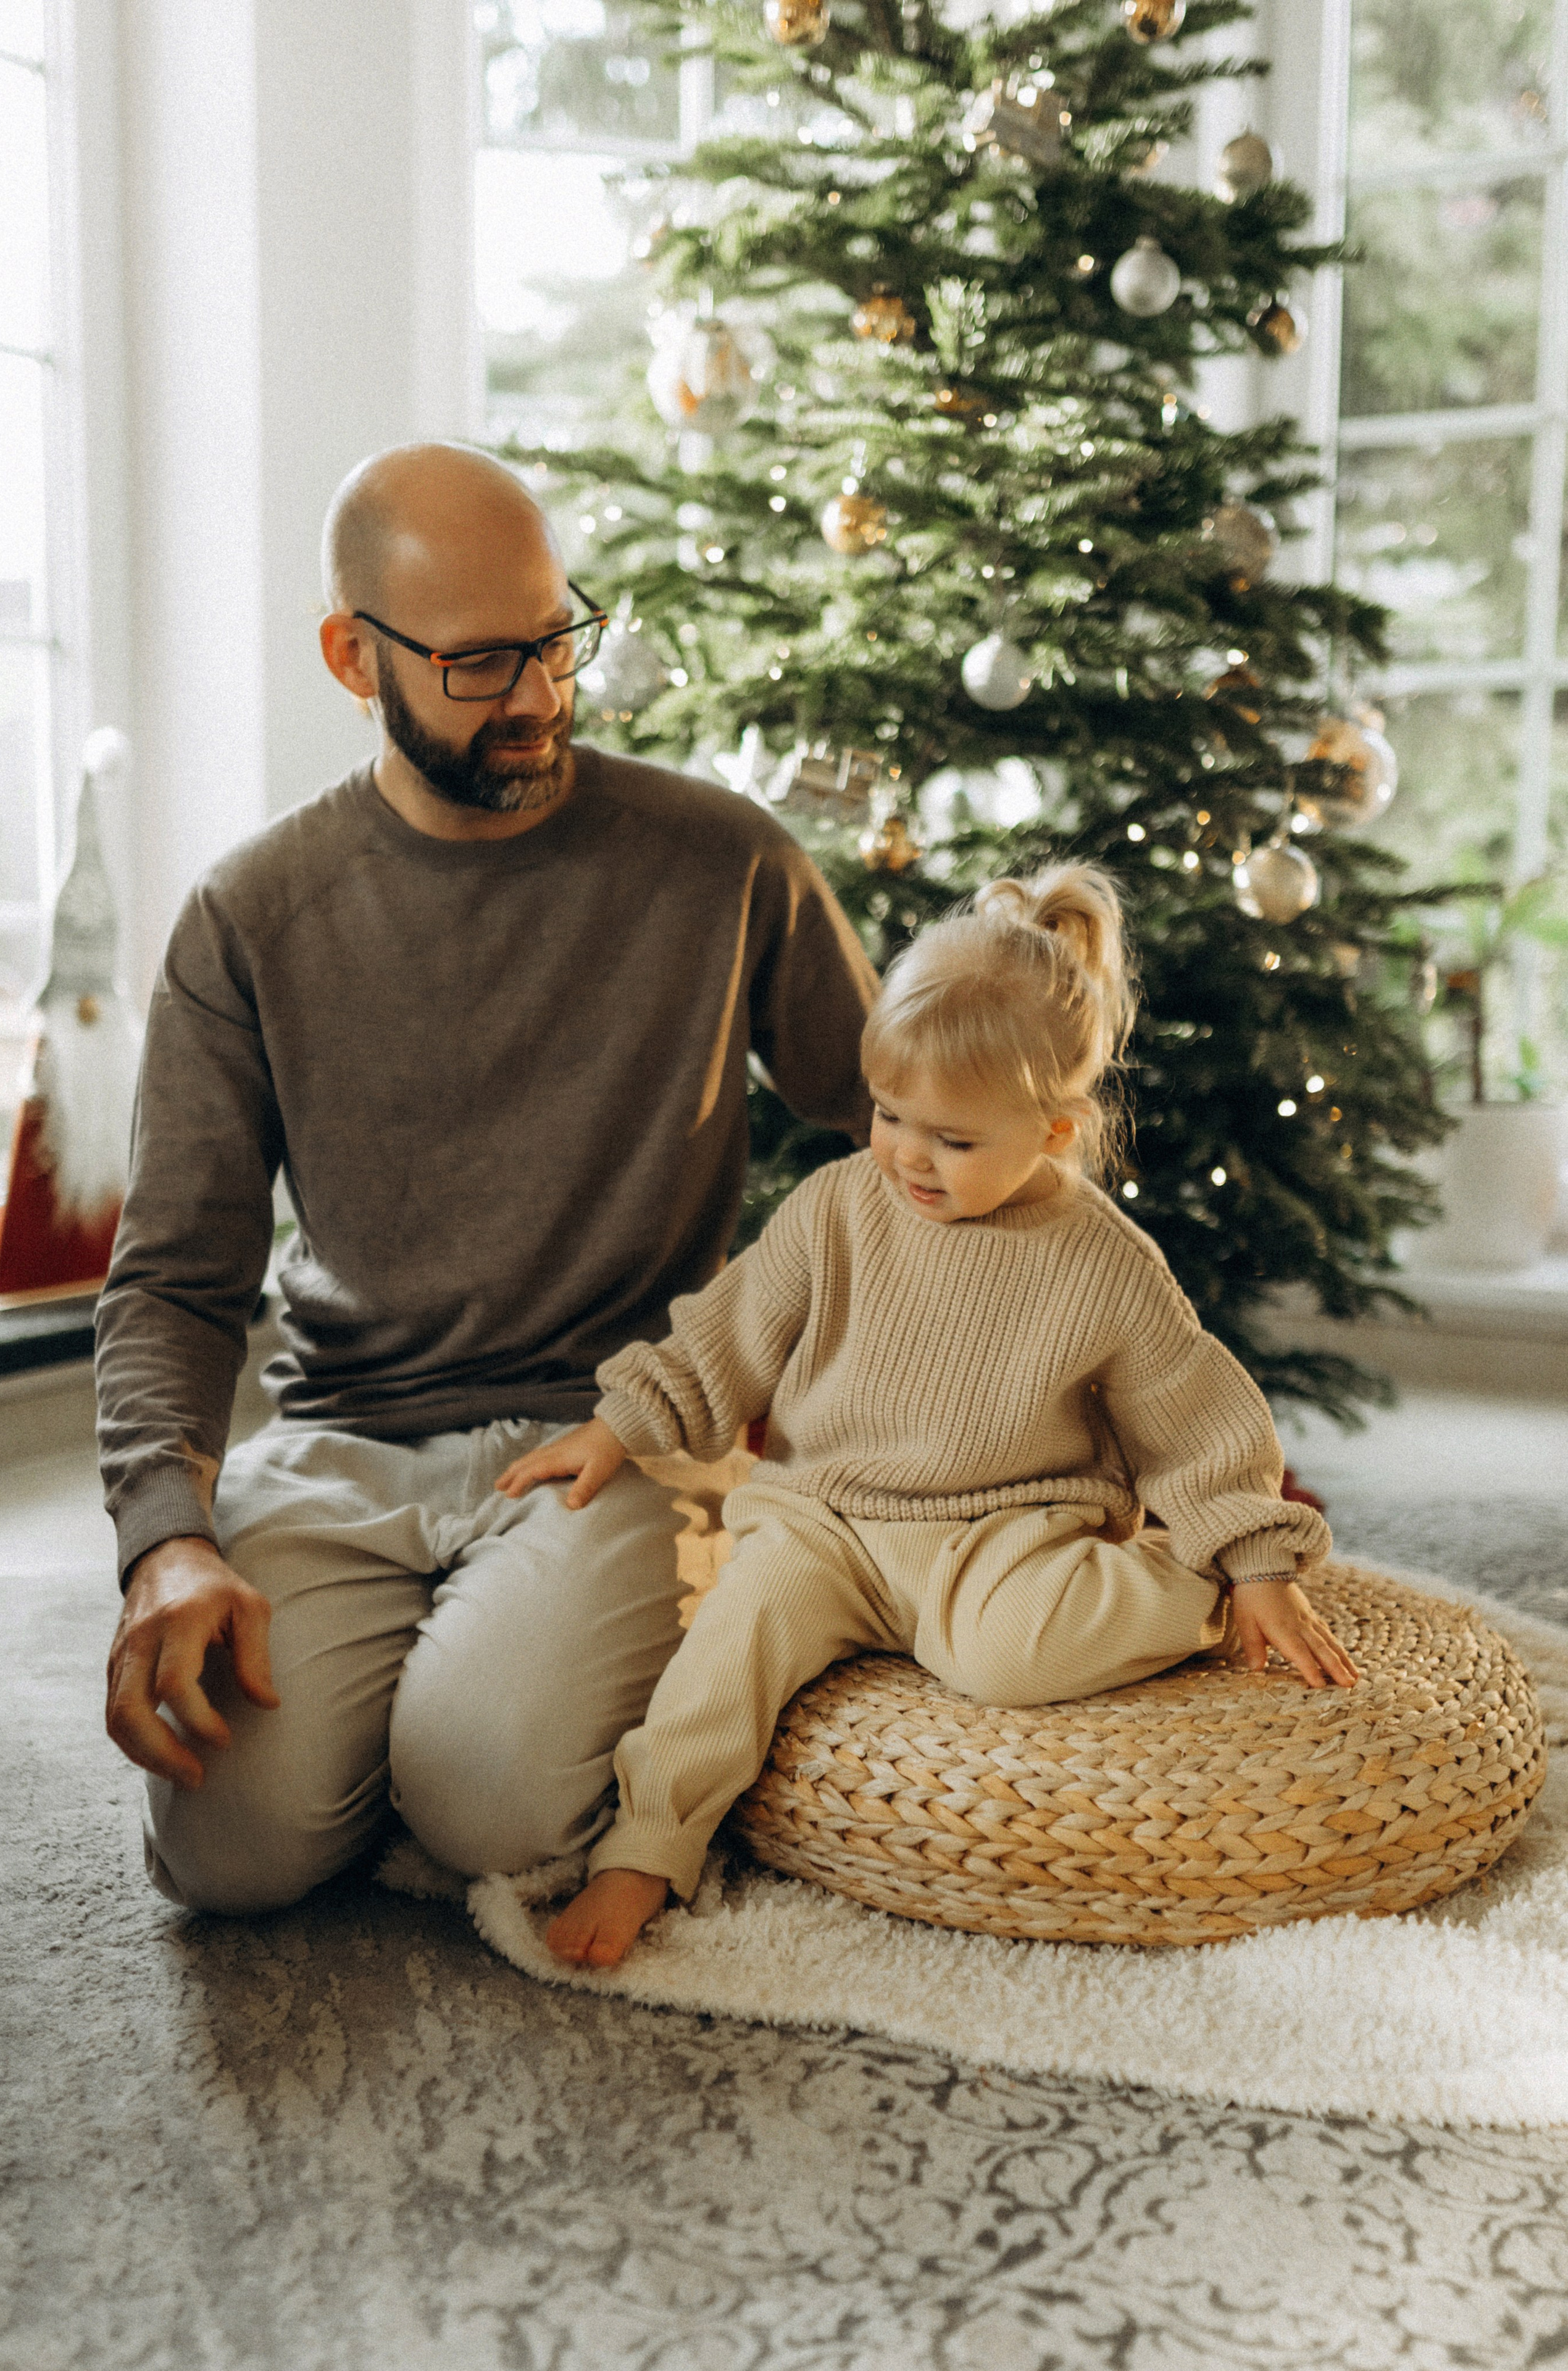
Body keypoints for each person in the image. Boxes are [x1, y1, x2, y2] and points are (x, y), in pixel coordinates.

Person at [98, 442, 877, 1914]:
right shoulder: (252, 913)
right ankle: (403, 1713)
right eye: (477, 663)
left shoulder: (725, 863)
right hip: (339, 1441)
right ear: (351, 654)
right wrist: (169, 1544)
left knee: (488, 1804)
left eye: (553, 638)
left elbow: (906, 1134)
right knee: (233, 1857)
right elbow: (175, 1281)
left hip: (613, 1436)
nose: (536, 696)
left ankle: (442, 1734)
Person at [496, 863, 1359, 1968]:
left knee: (1011, 1658)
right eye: (889, 1115)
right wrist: (625, 1421)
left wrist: (1253, 1560)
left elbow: (1192, 1411)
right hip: (823, 1517)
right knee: (730, 1643)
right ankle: (646, 1848)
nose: (908, 1153)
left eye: (953, 1139)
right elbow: (732, 1327)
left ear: (1051, 1133)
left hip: (1000, 1532)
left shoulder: (1102, 1262)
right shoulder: (839, 1208)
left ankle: (1186, 1586)